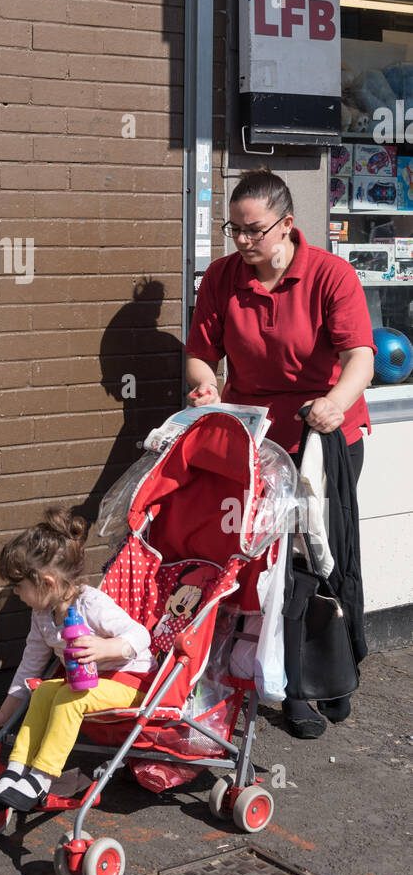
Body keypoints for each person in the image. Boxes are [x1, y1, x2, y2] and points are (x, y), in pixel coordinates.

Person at [184, 168, 375, 738]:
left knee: (320, 560)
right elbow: (200, 353)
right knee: (276, 570)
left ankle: (335, 674)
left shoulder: (330, 276)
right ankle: (293, 687)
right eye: (233, 230)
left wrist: (335, 402)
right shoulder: (222, 279)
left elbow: (360, 357)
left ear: (287, 224)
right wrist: (206, 388)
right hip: (258, 441)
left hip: (324, 437)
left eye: (253, 231)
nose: (242, 242)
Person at [0, 507, 155, 810]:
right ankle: (17, 769)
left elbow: (140, 636)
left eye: (19, 587)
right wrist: (4, 713)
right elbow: (30, 665)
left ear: (47, 582)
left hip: (130, 681)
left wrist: (106, 648)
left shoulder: (92, 604)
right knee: (42, 689)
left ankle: (42, 777)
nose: (16, 594)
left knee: (71, 695)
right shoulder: (42, 615)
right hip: (88, 684)